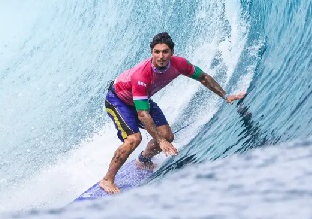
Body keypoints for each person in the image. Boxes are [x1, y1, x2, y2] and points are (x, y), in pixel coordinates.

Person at [100, 32, 246, 194]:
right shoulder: (142, 75)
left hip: (141, 100)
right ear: (151, 53)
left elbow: (203, 77)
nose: (161, 56)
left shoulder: (179, 64)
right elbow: (142, 114)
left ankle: (143, 160)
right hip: (118, 100)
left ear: (172, 52)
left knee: (167, 136)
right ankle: (107, 180)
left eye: (165, 52)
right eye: (157, 52)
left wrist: (226, 96)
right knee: (134, 139)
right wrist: (160, 141)